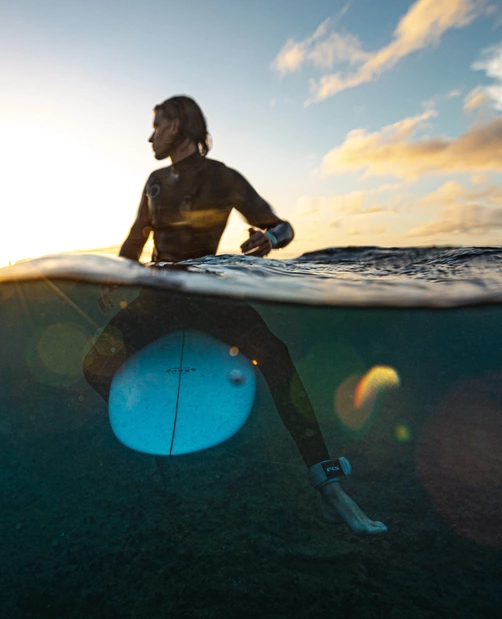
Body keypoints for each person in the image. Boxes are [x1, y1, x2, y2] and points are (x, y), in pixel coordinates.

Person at [83, 96, 386, 535]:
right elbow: (136, 238)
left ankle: (329, 487)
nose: (150, 135)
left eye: (157, 125)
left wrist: (268, 239)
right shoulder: (153, 180)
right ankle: (156, 436)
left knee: (276, 356)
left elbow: (283, 226)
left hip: (210, 294)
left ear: (180, 128)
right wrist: (117, 272)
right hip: (159, 296)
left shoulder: (223, 177)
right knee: (94, 367)